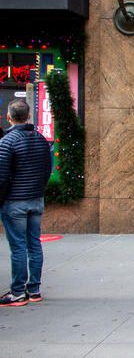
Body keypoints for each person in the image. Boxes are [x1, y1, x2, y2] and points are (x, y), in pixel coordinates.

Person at [0, 99, 53, 307]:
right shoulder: (40, 139)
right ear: (28, 115)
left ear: (9, 117)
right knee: (34, 244)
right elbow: (46, 169)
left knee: (19, 247)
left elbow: (2, 176)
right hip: (35, 199)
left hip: (15, 202)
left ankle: (17, 292)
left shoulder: (7, 141)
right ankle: (34, 289)